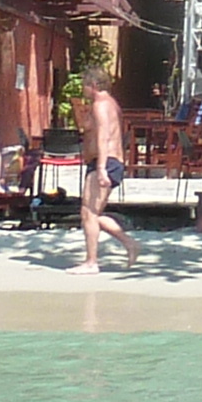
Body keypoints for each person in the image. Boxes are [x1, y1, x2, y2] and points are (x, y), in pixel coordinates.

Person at [78, 69, 137, 270]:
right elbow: (92, 129)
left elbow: (104, 136)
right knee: (92, 214)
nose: (83, 90)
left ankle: (91, 262)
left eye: (84, 85)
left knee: (89, 212)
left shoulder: (100, 105)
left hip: (106, 161)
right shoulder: (110, 104)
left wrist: (102, 168)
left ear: (93, 86)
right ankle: (129, 244)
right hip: (104, 161)